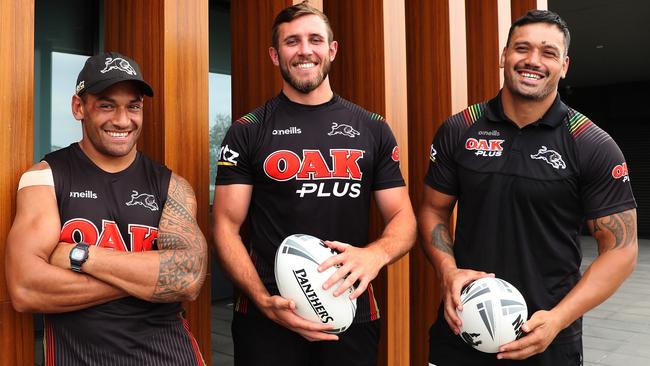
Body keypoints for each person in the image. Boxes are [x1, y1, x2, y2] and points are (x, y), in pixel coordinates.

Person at [419, 10, 637, 366]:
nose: (533, 60)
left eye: (548, 52)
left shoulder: (591, 143)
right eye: (522, 48)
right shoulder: (460, 129)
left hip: (547, 339)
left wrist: (559, 319)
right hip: (461, 331)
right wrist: (448, 271)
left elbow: (622, 250)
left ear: (564, 65)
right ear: (503, 55)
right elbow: (433, 208)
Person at [211, 1, 416, 365]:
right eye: (292, 42)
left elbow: (403, 216)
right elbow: (226, 226)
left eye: (314, 40)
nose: (304, 50)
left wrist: (375, 254)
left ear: (331, 50)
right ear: (275, 55)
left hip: (350, 310)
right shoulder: (248, 131)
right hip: (269, 314)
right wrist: (262, 300)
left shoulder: (372, 128)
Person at [5, 52, 207, 365]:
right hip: (82, 357)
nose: (123, 120)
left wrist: (80, 256)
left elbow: (189, 277)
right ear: (79, 108)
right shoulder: (45, 178)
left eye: (133, 106)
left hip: (170, 355)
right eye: (106, 105)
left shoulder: (171, 186)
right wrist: (148, 278)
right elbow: (25, 289)